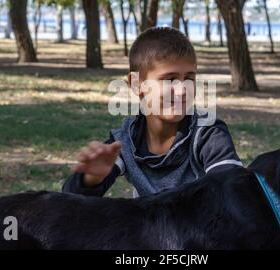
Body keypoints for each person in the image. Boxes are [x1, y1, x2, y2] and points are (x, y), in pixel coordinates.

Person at [62, 27, 243, 198]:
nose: (182, 90)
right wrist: (91, 179)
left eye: (189, 78)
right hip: (147, 230)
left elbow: (233, 191)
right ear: (136, 84)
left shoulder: (208, 133)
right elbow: (70, 201)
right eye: (170, 79)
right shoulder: (126, 140)